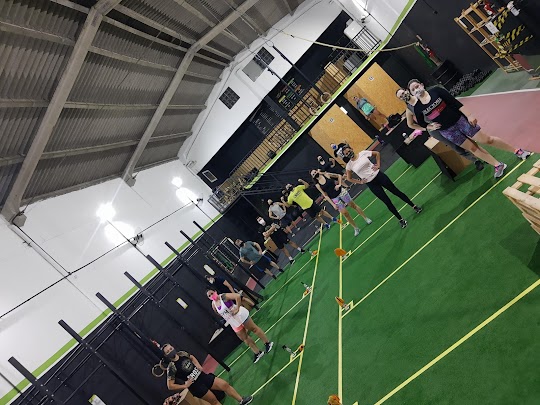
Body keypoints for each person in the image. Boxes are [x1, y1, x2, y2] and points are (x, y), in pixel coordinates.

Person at [407, 79, 531, 178]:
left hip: (460, 121)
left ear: (422, 85)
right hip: (448, 132)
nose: (416, 90)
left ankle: (517, 151)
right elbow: (421, 123)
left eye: (417, 86)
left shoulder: (436, 91)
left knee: (486, 140)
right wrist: (430, 126)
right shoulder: (417, 108)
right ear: (412, 93)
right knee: (473, 148)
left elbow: (455, 103)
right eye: (413, 89)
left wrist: (469, 115)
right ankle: (498, 165)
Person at [395, 87, 485, 172]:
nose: (403, 96)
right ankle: (475, 161)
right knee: (455, 146)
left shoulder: (422, 95)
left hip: (446, 118)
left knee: (467, 138)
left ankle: (483, 155)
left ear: (407, 90)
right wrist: (428, 127)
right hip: (436, 130)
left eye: (403, 93)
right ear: (400, 99)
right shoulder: (409, 110)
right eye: (401, 96)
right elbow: (410, 125)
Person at [339, 143, 422, 228]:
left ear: (351, 149)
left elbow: (377, 153)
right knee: (387, 201)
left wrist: (378, 165)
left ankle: (414, 206)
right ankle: (401, 219)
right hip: (371, 184)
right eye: (346, 154)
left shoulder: (363, 153)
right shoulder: (349, 166)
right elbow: (349, 178)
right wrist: (360, 182)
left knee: (396, 192)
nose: (348, 154)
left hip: (379, 176)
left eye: (349, 151)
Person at [162, 344, 253, 404]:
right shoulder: (171, 367)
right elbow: (170, 386)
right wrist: (185, 386)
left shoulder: (182, 353)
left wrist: (198, 365)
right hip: (196, 387)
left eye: (171, 348)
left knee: (225, 385)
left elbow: (192, 357)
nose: (171, 351)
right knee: (214, 401)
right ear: (166, 355)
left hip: (203, 377)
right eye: (168, 351)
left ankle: (242, 400)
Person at [206, 289, 274, 363]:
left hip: (240, 315)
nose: (211, 296)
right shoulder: (213, 304)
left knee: (254, 329)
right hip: (233, 322)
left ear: (215, 291)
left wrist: (237, 309)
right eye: (209, 296)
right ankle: (257, 352)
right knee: (244, 337)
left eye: (212, 293)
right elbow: (218, 312)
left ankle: (267, 343)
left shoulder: (223, 296)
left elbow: (237, 296)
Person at [312, 169, 372, 236]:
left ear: (317, 171)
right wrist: (333, 204)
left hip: (341, 192)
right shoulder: (318, 185)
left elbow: (339, 176)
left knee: (353, 205)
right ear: (313, 177)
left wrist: (339, 184)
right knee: (345, 213)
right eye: (313, 174)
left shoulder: (326, 175)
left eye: (315, 172)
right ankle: (355, 228)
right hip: (334, 198)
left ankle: (366, 218)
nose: (315, 174)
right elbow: (325, 195)